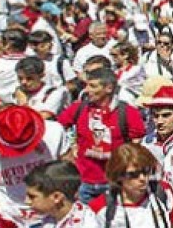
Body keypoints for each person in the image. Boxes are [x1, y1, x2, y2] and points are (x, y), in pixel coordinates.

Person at [57, 67, 145, 203]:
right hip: (83, 181)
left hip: (114, 182)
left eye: (93, 86)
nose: (87, 90)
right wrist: (70, 146)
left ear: (108, 88)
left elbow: (137, 145)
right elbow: (57, 127)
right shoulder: (79, 108)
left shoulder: (127, 112)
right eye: (87, 85)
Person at [24, 161, 109, 228]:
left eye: (32, 196)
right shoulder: (50, 220)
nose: (26, 201)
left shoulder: (89, 227)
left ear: (56, 197)